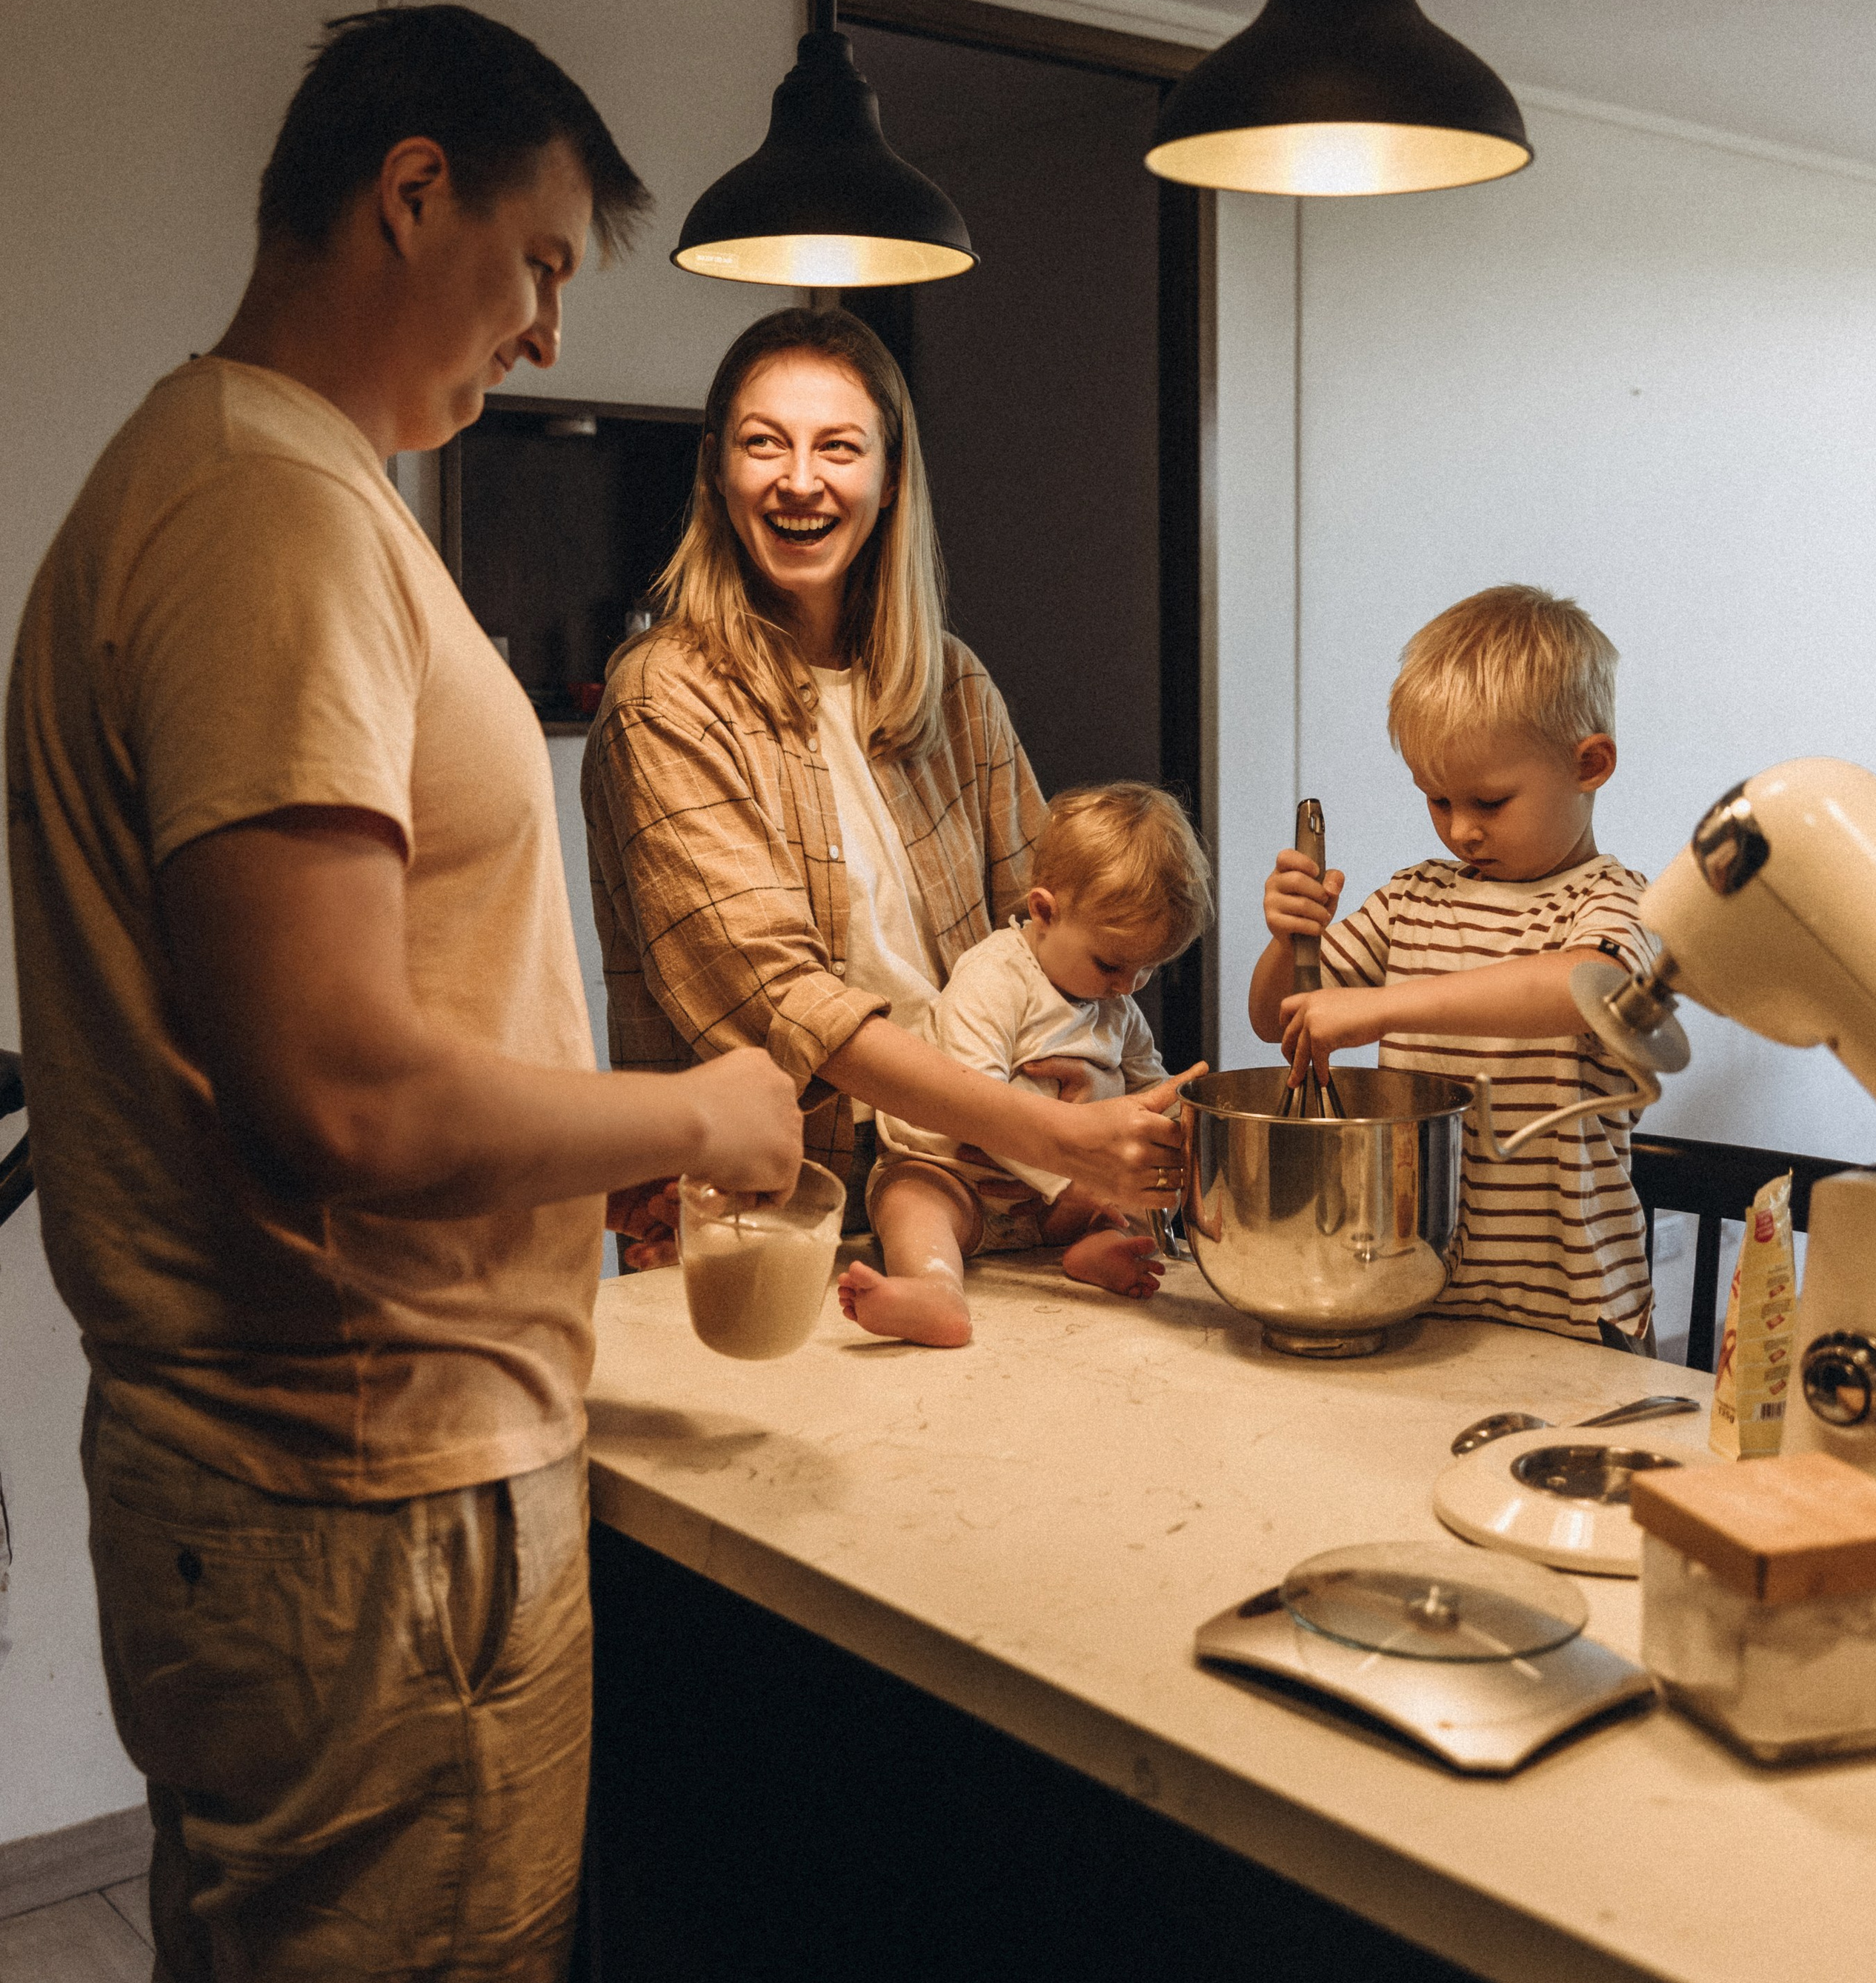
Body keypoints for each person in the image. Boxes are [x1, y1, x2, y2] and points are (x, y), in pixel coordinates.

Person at [6, 4, 804, 1983]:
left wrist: (559, 1170)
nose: (547, 328)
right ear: (411, 189)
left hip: (269, 1479)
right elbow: (337, 1092)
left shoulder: (209, 477)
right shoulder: (273, 514)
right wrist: (683, 1120)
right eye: (536, 262)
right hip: (372, 1501)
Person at [581, 308, 1200, 1290]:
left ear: (891, 478)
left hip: (985, 1202)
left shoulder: (951, 686)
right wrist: (1049, 1133)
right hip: (773, 1216)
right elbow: (784, 1003)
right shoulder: (664, 697)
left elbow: (1049, 924)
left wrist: (1080, 1078)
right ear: (715, 472)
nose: (799, 480)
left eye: (838, 447)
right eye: (763, 444)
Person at [1248, 583, 1660, 1341]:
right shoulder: (1413, 898)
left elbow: (1583, 986)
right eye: (1437, 800)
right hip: (1420, 1294)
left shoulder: (1615, 902)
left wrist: (1381, 1008)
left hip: (1573, 1314)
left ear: (1589, 764)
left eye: (1489, 802)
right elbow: (1278, 1020)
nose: (1460, 831)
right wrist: (1287, 941)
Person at [839, 781, 1214, 1346]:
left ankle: (1100, 1248)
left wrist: (1181, 1124)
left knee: (1134, 1191)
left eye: (1149, 969)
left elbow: (1152, 1087)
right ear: (1044, 912)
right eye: (1111, 964)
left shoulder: (1119, 1007)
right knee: (910, 1197)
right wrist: (1067, 1175)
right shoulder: (996, 975)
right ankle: (933, 1287)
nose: (1128, 986)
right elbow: (973, 1093)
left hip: (1061, 1205)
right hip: (961, 1181)